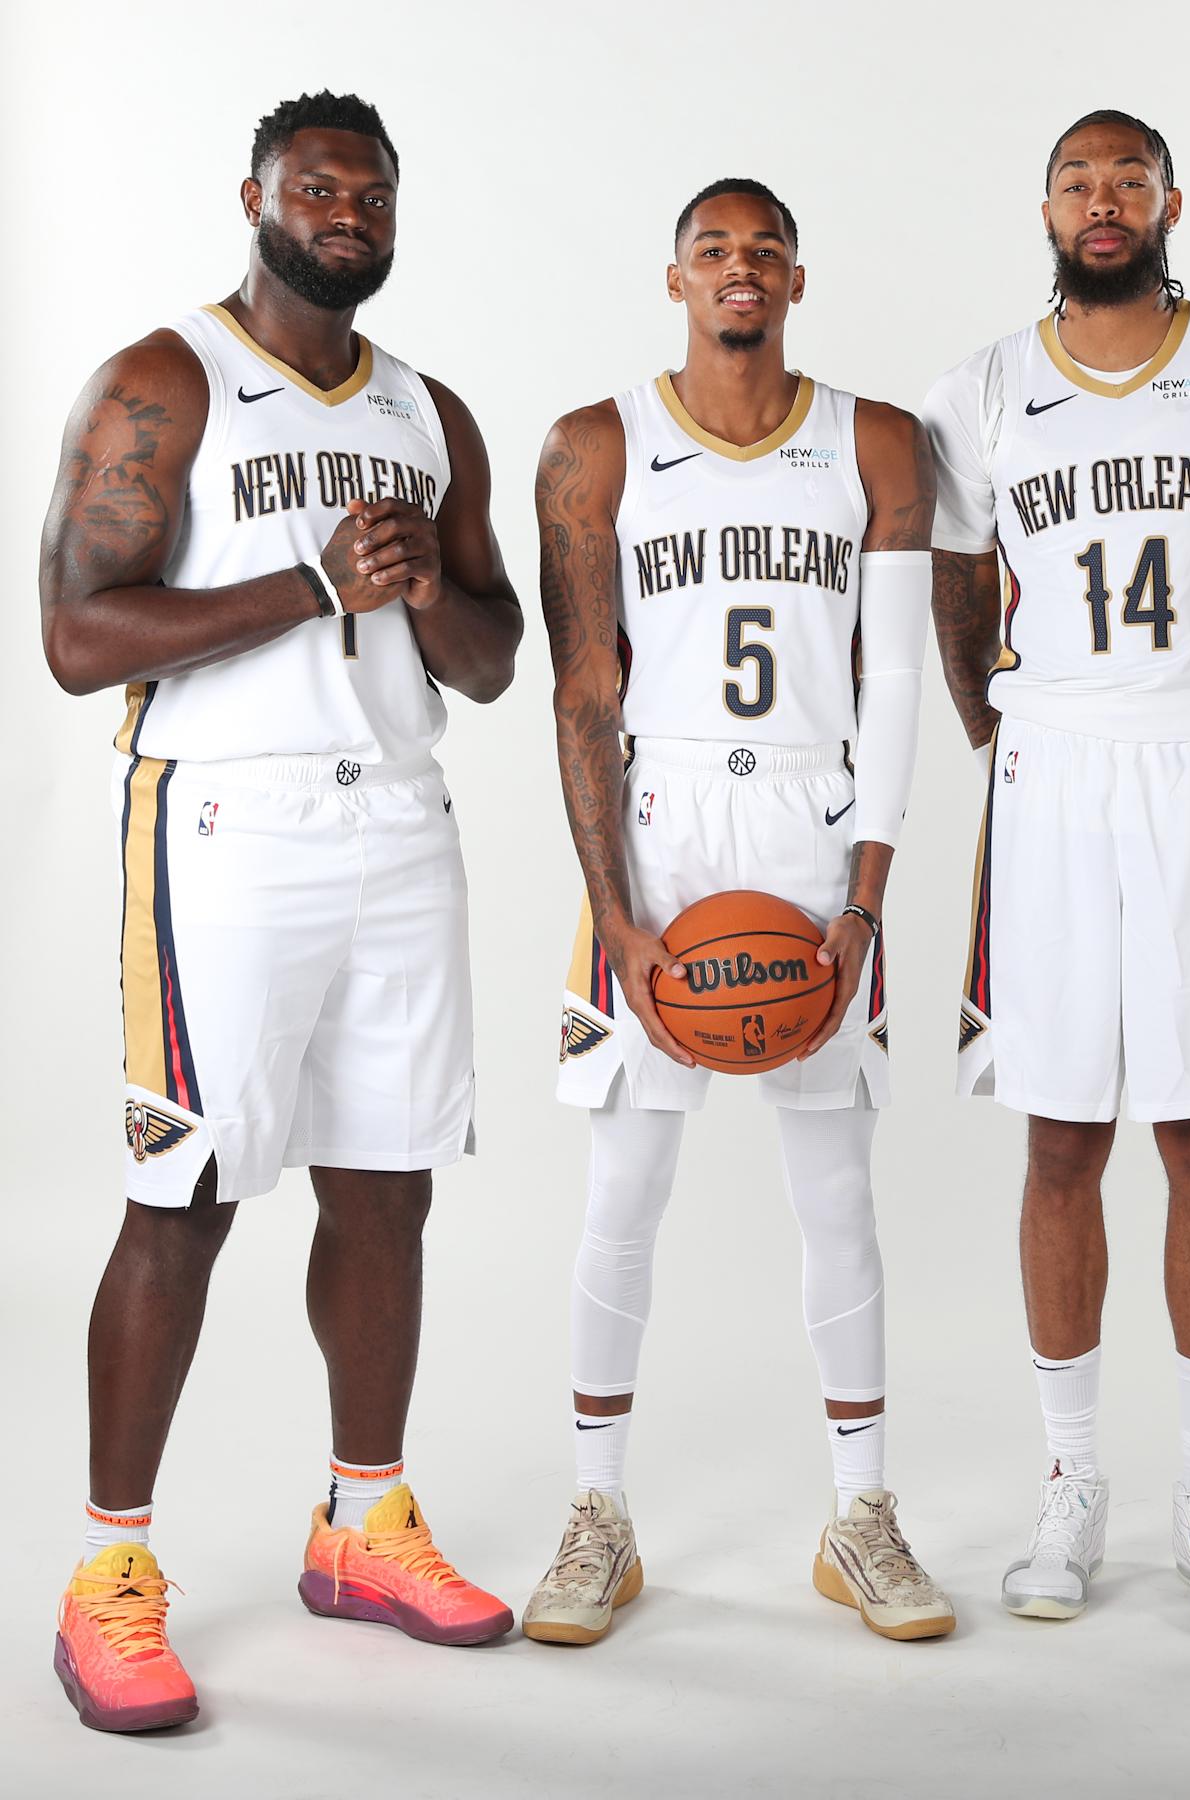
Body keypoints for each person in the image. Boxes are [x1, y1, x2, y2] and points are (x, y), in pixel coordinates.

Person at [38, 90, 521, 1734]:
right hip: (224, 832)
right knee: (184, 1197)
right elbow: (78, 635)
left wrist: (422, 582)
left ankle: (361, 1520)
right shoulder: (165, 380)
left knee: (386, 1193)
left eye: (372, 192)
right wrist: (313, 584)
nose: (347, 211)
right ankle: (108, 1572)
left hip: (398, 822)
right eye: (318, 186)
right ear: (255, 196)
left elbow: (493, 660)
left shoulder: (429, 407)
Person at [923, 110, 1190, 1626]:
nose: (1103, 204)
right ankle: (1069, 1482)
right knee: (1057, 1140)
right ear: (1042, 204)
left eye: (1129, 181)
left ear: (1173, 200)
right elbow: (962, 605)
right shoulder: (977, 389)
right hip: (1047, 778)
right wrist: (1021, 732)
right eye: (1077, 182)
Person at [526, 177, 953, 1645]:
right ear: (674, 281)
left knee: (838, 1193)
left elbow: (894, 679)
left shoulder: (876, 441)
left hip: (817, 829)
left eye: (764, 250)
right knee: (623, 1189)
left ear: (798, 277)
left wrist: (871, 900)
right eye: (714, 252)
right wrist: (618, 916)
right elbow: (584, 687)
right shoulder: (599, 444)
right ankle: (597, 1514)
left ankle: (863, 1517)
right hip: (662, 833)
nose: (740, 270)